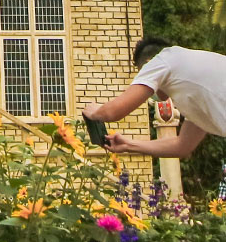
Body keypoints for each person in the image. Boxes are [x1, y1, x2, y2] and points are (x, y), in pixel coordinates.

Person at [82, 37, 226, 158]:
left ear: (147, 63)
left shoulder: (164, 59)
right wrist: (128, 144)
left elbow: (113, 112)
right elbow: (182, 145)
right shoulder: (191, 87)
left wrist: (96, 111)